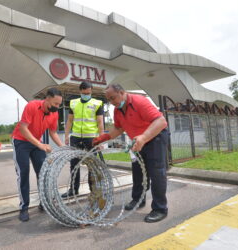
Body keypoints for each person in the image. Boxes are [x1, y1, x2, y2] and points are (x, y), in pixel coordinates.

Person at [93, 83, 169, 223]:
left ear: (122, 92)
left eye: (113, 98)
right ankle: (138, 199)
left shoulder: (140, 102)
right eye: (109, 99)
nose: (112, 102)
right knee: (138, 170)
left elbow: (161, 121)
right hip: (137, 140)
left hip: (154, 137)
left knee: (156, 172)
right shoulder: (117, 110)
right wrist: (104, 137)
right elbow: (119, 128)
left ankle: (160, 209)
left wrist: (144, 137)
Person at [11, 87, 64, 222]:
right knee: (23, 173)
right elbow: (23, 129)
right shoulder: (32, 106)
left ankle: (44, 203)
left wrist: (63, 147)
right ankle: (24, 208)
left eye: (59, 104)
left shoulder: (54, 114)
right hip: (21, 141)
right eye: (55, 104)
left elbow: (53, 132)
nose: (57, 107)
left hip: (36, 143)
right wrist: (40, 145)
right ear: (47, 99)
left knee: (43, 173)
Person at [61, 81, 104, 198]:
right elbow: (69, 120)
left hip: (91, 138)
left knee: (92, 165)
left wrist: (101, 139)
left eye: (89, 93)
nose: (86, 95)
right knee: (74, 164)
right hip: (75, 137)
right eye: (84, 93)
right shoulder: (73, 103)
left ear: (91, 91)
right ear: (80, 91)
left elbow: (100, 123)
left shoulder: (97, 103)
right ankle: (73, 190)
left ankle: (94, 190)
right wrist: (66, 135)